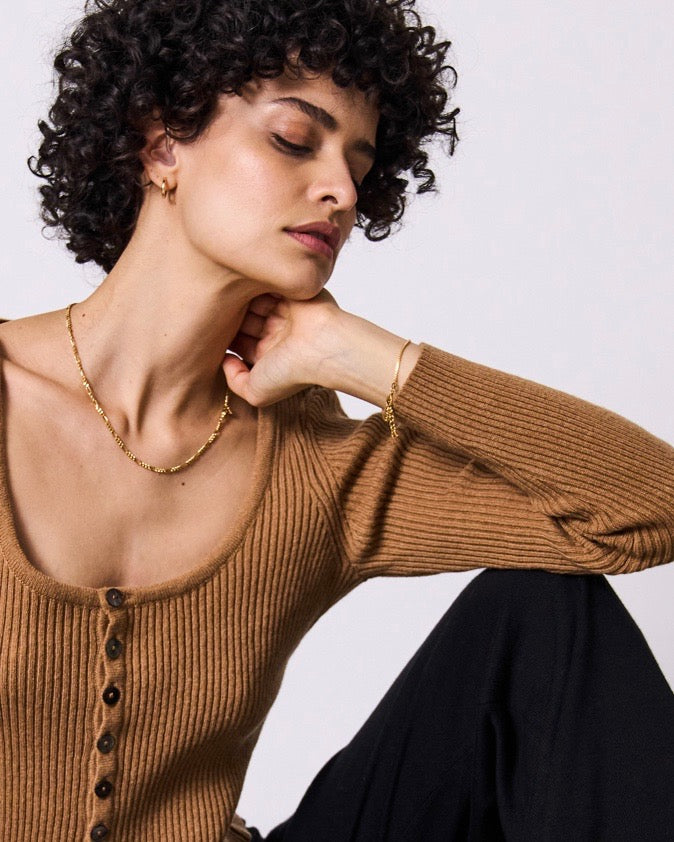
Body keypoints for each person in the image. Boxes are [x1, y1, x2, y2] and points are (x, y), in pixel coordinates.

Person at [0, 0, 672, 840]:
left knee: (543, 618)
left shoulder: (313, 464)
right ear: (163, 143)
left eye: (359, 163)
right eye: (293, 139)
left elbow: (648, 508)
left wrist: (363, 357)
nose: (341, 192)